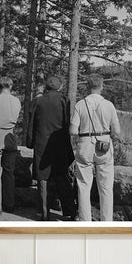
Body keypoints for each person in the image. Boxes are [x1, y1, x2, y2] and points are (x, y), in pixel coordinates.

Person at [70, 73, 121, 221]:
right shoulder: (109, 105)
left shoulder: (80, 104)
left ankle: (86, 221)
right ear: (102, 86)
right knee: (105, 188)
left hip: (85, 146)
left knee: (84, 186)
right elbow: (116, 132)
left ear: (87, 86)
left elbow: (73, 131)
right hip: (104, 146)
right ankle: (106, 222)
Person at [27, 75, 77, 221]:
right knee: (62, 177)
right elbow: (66, 124)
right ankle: (70, 211)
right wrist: (69, 147)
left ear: (47, 87)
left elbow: (32, 124)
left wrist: (30, 142)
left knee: (43, 179)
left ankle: (43, 213)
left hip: (42, 144)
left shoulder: (38, 101)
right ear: (60, 87)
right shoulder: (64, 101)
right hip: (60, 143)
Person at [0, 76, 21, 215]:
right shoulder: (16, 101)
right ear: (11, 86)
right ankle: (10, 204)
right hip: (11, 137)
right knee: (9, 172)